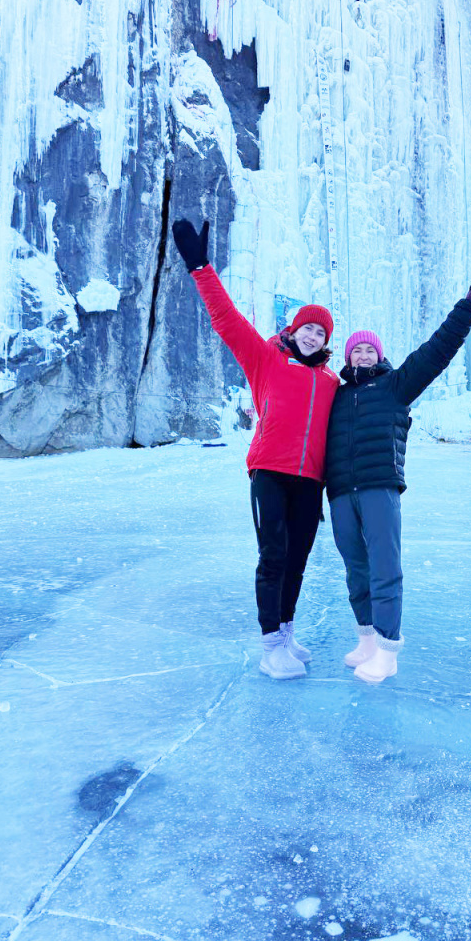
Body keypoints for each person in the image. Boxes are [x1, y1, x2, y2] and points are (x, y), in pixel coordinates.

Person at [171, 219, 339, 679]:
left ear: (327, 342)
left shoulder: (330, 380)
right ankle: (270, 647)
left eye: (320, 333)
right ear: (295, 328)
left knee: (299, 559)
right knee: (274, 556)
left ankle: (286, 633)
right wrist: (200, 267)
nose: (311, 337)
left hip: (310, 480)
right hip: (269, 471)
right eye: (307, 329)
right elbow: (226, 321)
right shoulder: (266, 358)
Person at [324, 276, 471, 683]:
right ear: (347, 357)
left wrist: (464, 312)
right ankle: (365, 640)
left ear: (378, 355)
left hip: (380, 485)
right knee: (354, 568)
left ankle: (386, 649)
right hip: (342, 491)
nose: (362, 355)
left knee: (384, 566)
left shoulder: (395, 385)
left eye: (369, 349)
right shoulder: (336, 394)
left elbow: (435, 354)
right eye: (356, 350)